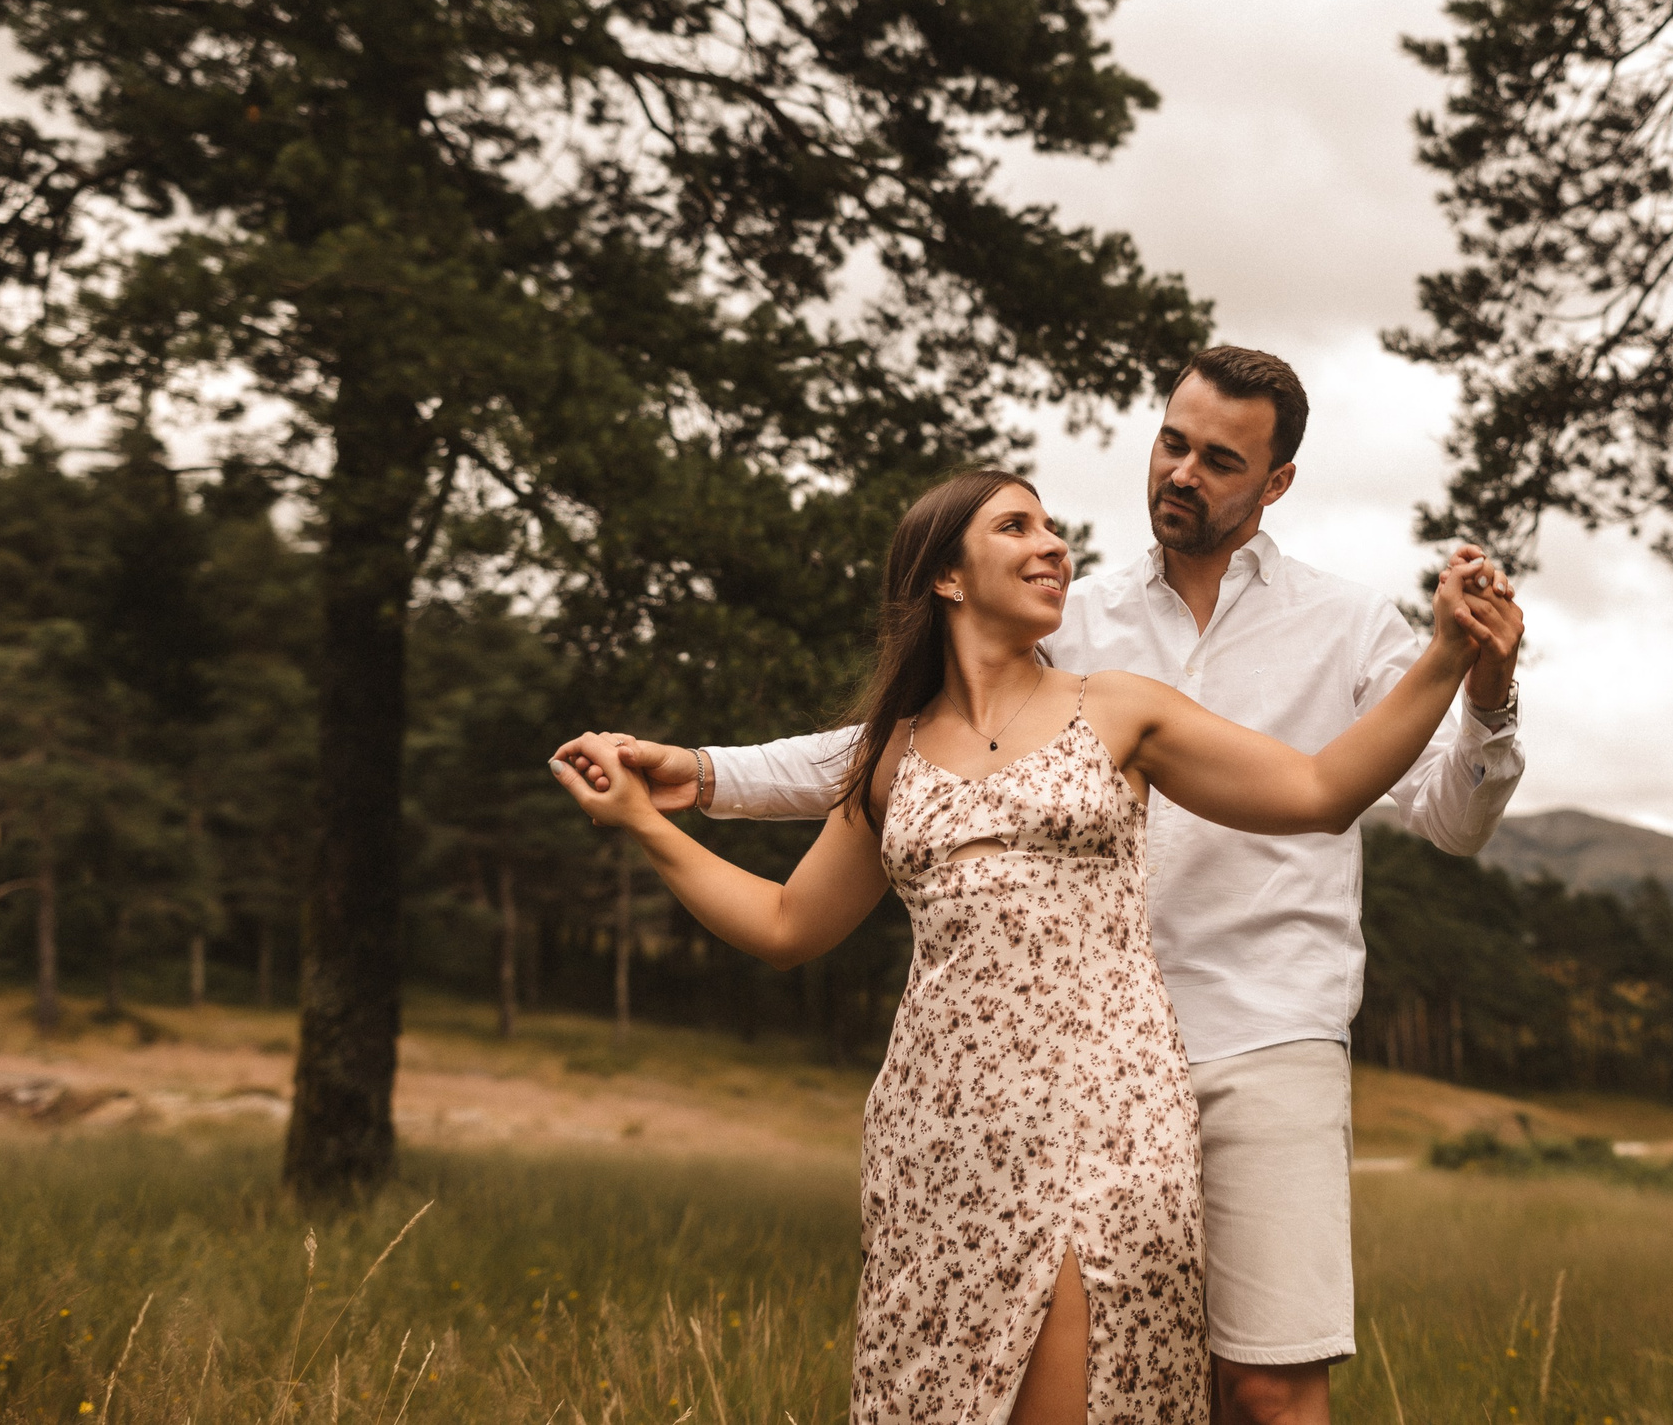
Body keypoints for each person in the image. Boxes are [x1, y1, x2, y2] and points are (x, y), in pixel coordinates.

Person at [577, 347, 1526, 1425]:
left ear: (1275, 482)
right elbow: (875, 771)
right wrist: (699, 778)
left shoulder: (1325, 633)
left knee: (1256, 1386)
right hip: (983, 1093)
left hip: (1245, 1033)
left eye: (1220, 459)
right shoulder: (1053, 626)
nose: (1180, 472)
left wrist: (1468, 679)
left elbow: (1390, 804)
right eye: (1172, 442)